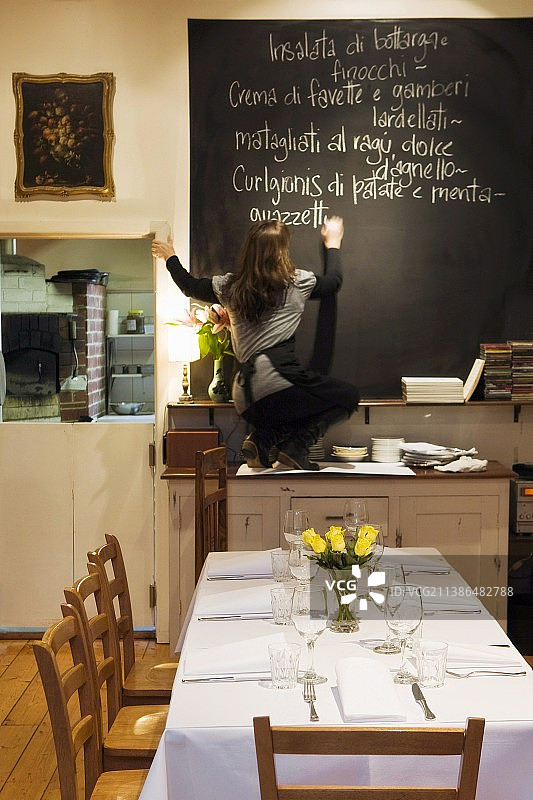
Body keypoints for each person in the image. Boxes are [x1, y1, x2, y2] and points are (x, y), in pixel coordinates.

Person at [152, 217, 359, 470]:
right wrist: (333, 243)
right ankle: (295, 447)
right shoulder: (296, 282)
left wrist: (170, 256)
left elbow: (189, 286)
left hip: (245, 397)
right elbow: (333, 282)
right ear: (283, 250)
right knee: (347, 396)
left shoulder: (229, 285)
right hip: (277, 384)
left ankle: (262, 440)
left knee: (292, 409)